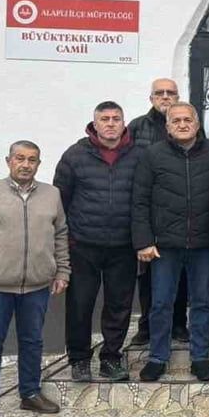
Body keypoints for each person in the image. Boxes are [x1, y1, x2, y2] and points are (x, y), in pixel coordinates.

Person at [0, 141, 69, 417]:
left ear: (38, 164)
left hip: (37, 285)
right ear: (8, 161)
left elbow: (60, 235)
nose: (25, 165)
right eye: (20, 158)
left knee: (32, 342)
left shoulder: (52, 195)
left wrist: (62, 271)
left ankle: (30, 393)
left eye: (32, 160)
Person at [131, 102, 209, 383]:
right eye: (176, 121)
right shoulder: (152, 155)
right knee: (161, 303)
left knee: (202, 302)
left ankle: (200, 357)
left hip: (204, 243)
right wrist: (144, 240)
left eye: (187, 120)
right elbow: (140, 200)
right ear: (168, 126)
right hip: (165, 245)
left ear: (197, 124)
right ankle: (157, 358)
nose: (182, 125)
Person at [54, 101, 143, 382]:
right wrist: (64, 240)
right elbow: (59, 200)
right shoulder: (75, 155)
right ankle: (79, 360)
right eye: (105, 119)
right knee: (80, 304)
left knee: (119, 306)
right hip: (83, 245)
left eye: (116, 118)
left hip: (124, 245)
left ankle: (111, 358)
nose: (111, 123)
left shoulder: (139, 154)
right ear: (94, 124)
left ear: (124, 122)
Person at [129, 78, 187, 345]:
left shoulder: (187, 124)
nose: (165, 97)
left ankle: (179, 324)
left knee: (181, 276)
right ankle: (146, 325)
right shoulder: (137, 127)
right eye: (159, 93)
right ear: (151, 98)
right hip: (150, 214)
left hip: (182, 214)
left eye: (170, 93)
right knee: (149, 277)